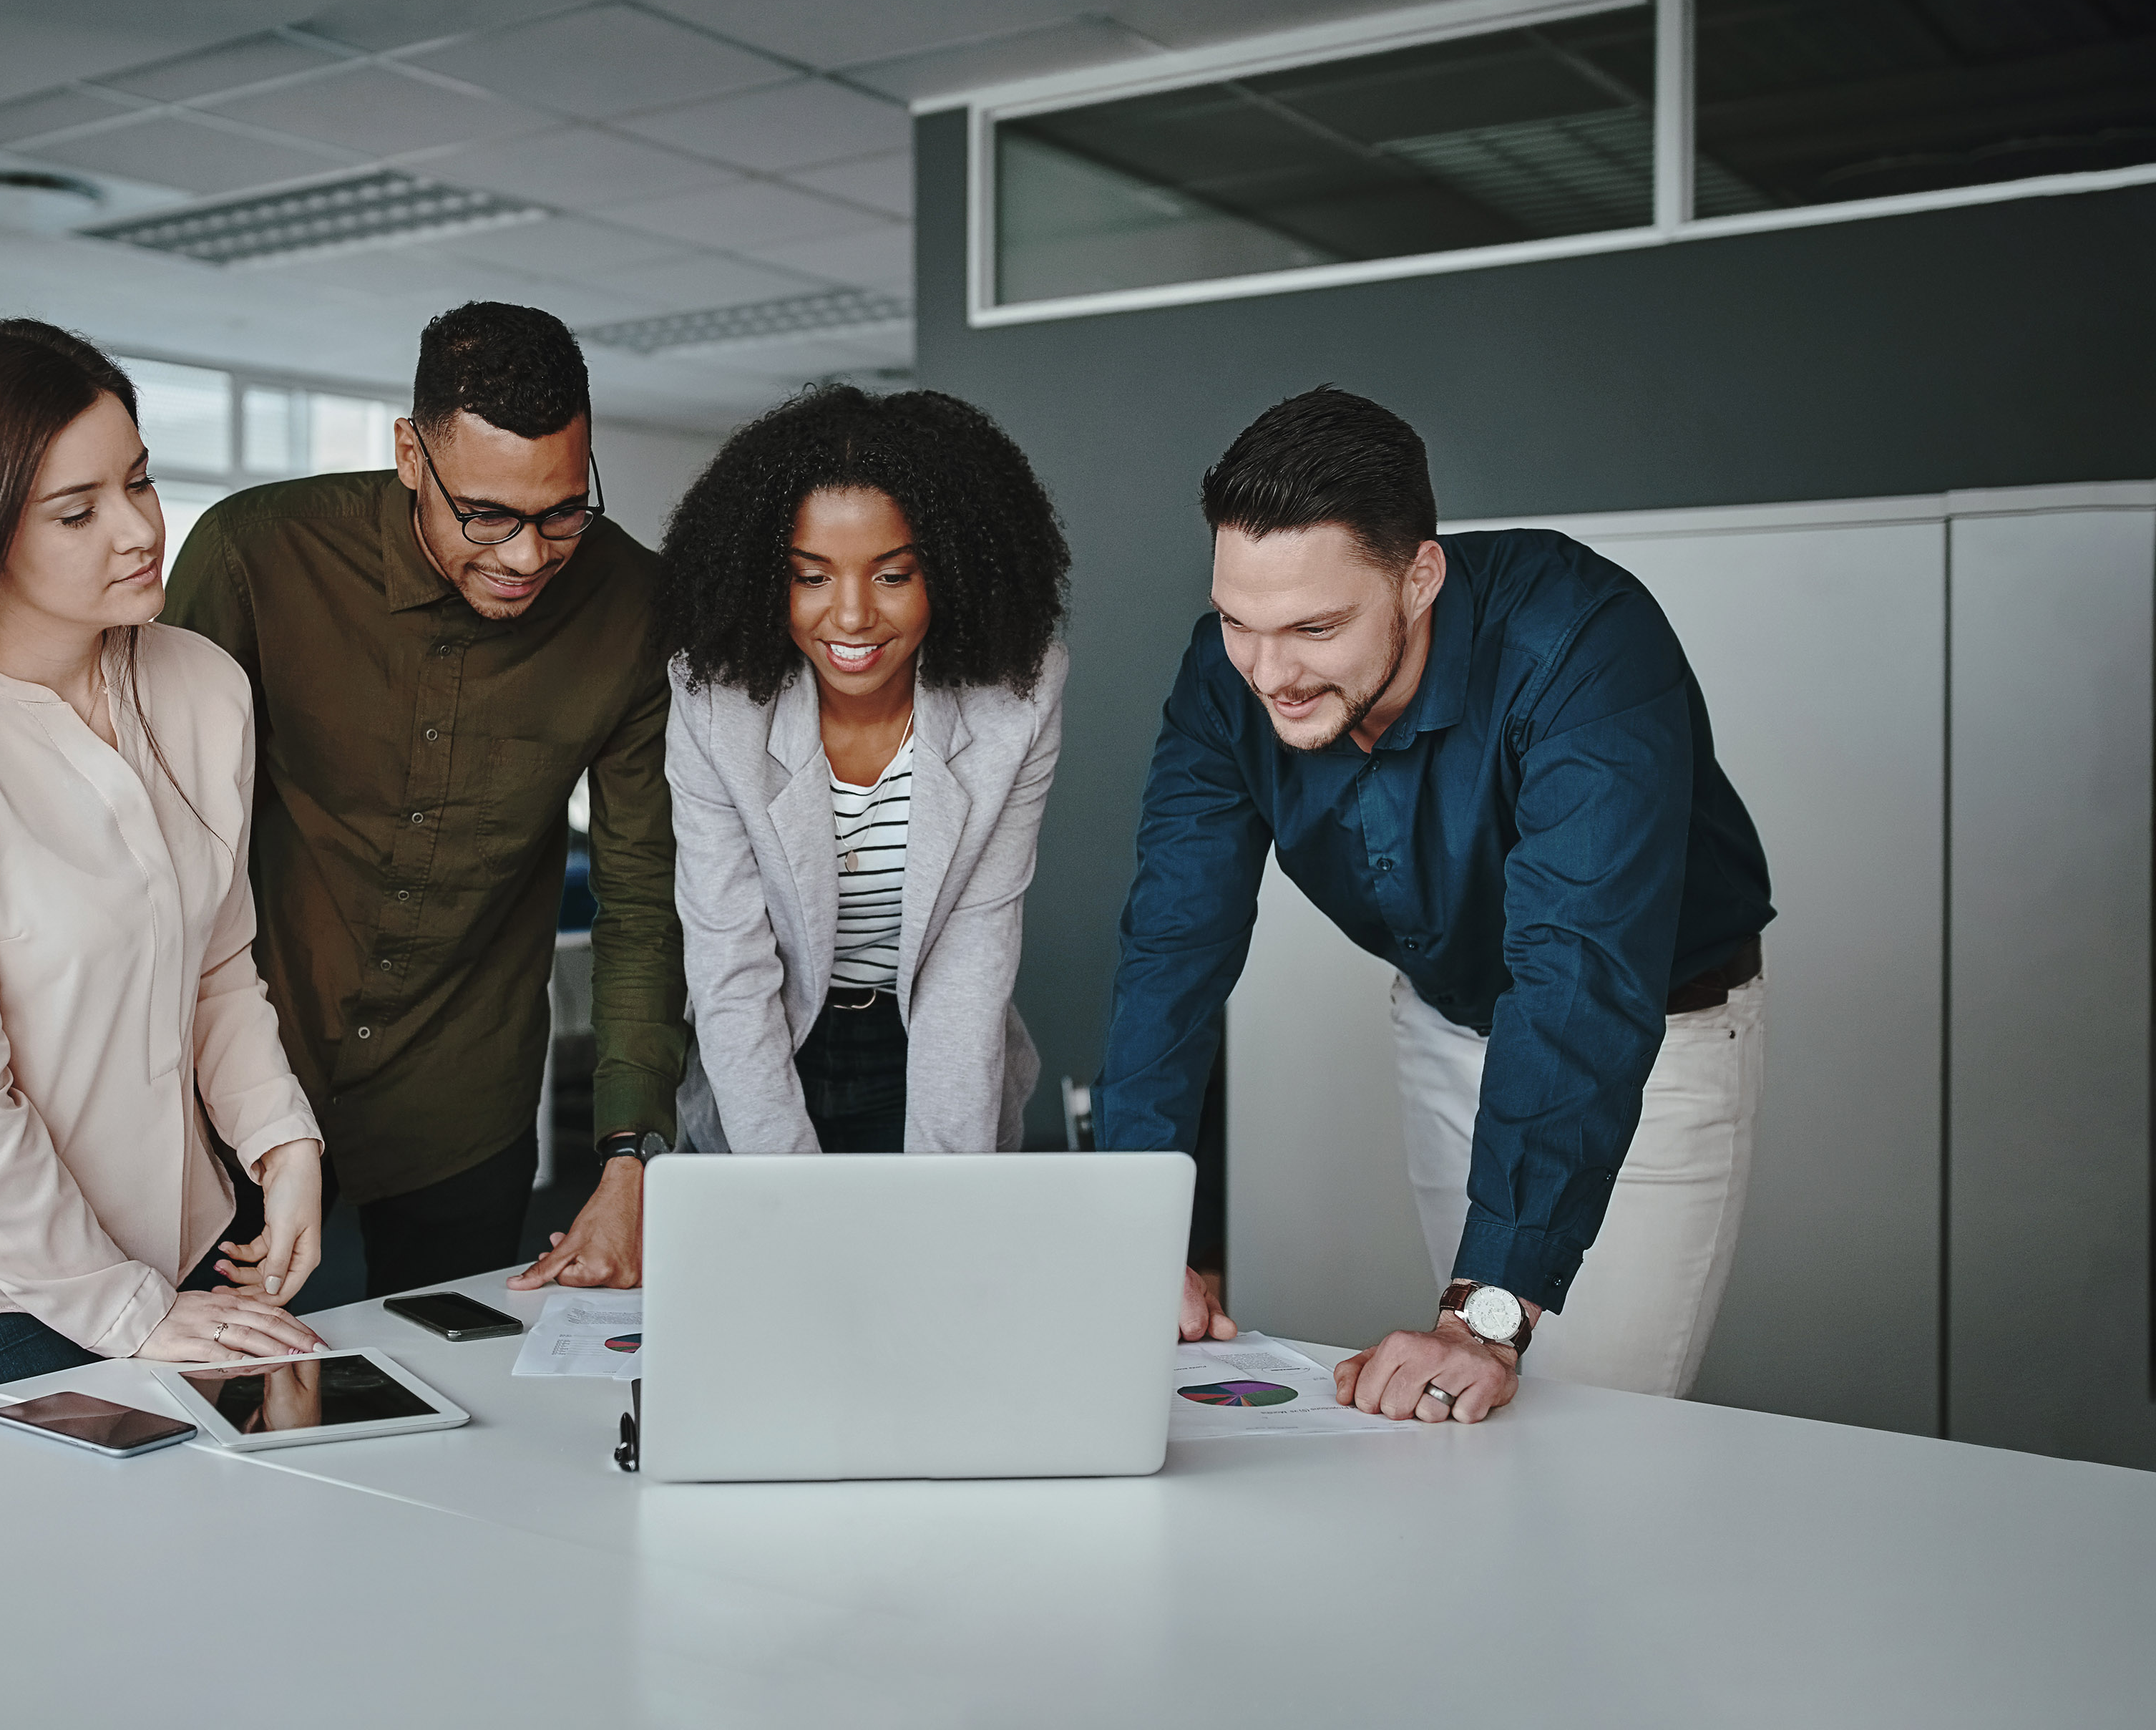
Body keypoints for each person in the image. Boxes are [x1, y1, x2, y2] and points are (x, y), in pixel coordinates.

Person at [1101, 386, 1773, 1420]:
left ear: (1419, 578)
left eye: (1315, 627)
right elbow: (1172, 946)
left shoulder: (1583, 643)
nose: (1269, 673)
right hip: (1444, 1018)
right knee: (1475, 1425)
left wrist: (1484, 1316)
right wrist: (1133, 1230)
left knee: (1594, 1423)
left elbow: (1579, 969)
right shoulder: (1224, 677)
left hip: (1648, 1039)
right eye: (1240, 621)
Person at [0, 319, 326, 1411]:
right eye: (78, 512)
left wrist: (283, 1147)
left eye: (140, 482)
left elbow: (218, 971)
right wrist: (129, 1311)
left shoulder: (202, 687)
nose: (141, 530)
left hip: (165, 1232)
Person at [162, 303, 683, 1297]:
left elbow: (644, 904)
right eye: (486, 515)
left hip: (461, 1108)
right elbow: (155, 854)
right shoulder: (254, 559)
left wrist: (631, 1154)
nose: (528, 556)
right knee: (223, 1417)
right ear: (410, 454)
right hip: (233, 1095)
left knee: (462, 1411)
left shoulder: (633, 610)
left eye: (565, 510)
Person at [655, 386, 1069, 1154]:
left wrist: (942, 1194)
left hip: (937, 1055)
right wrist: (786, 1197)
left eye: (892, 575)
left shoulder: (1016, 695)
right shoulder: (716, 701)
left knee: (934, 1261)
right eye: (810, 576)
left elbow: (972, 956)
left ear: (948, 572)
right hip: (769, 1048)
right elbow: (730, 966)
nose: (849, 616)